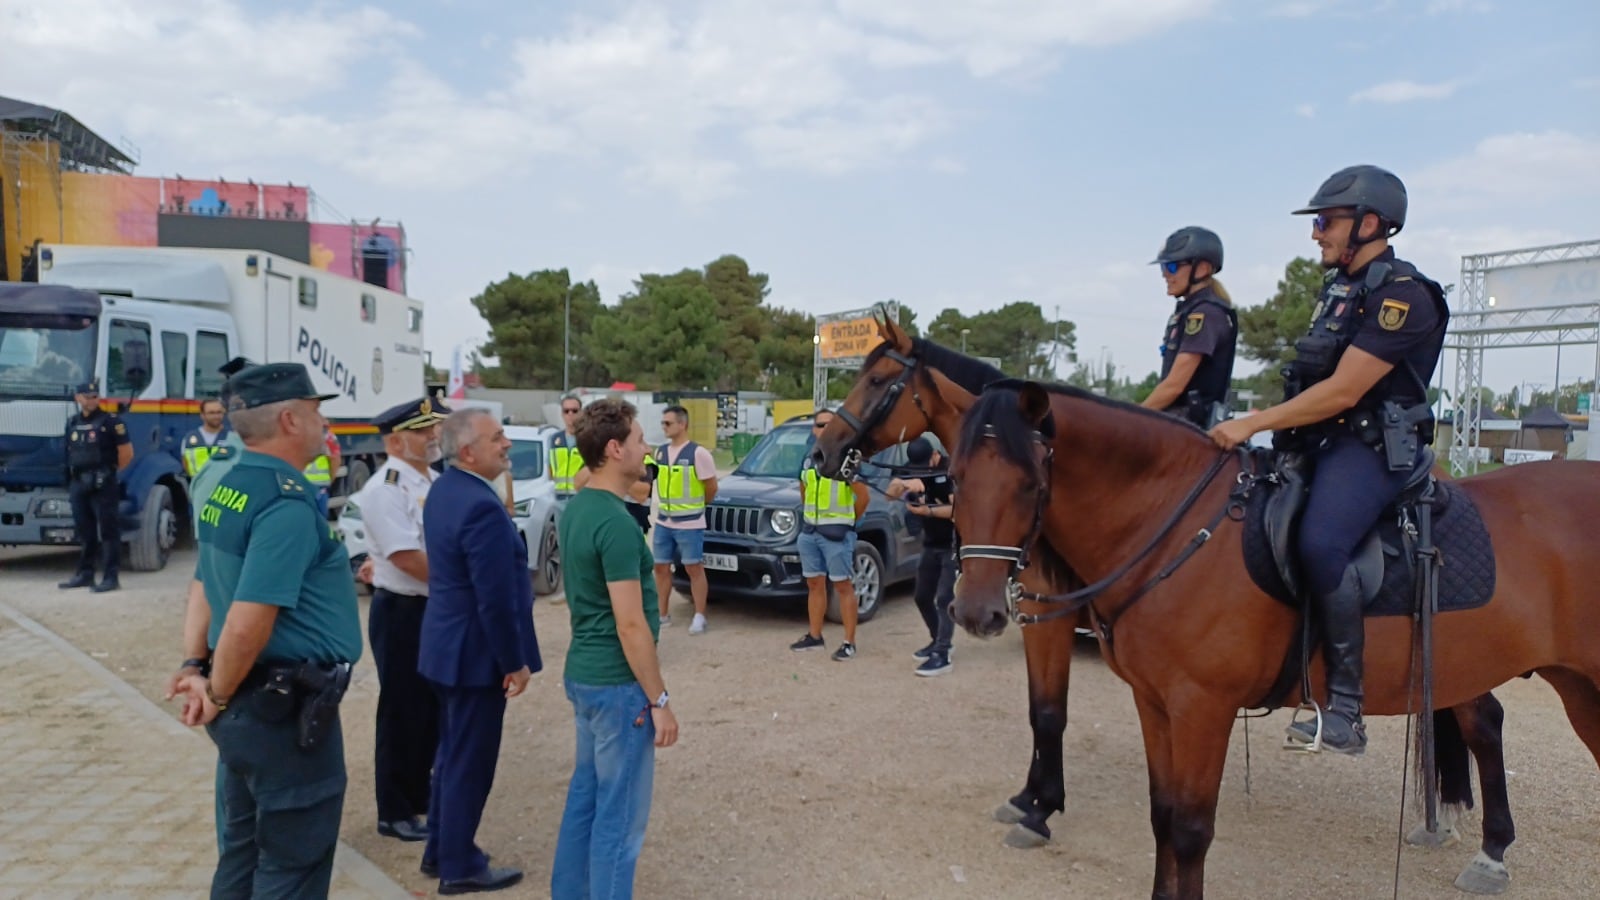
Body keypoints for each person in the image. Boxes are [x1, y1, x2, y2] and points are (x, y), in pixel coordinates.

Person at [1210, 165, 1449, 755]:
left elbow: (1344, 390)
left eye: (1325, 222)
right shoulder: (1341, 289)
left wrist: (1253, 421)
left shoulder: (1404, 297)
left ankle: (1346, 708)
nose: (1316, 234)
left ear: (1370, 224)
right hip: (1323, 441)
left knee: (1321, 542)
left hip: (1373, 449)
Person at [165, 362, 362, 896]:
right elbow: (248, 623)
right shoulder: (284, 501)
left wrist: (193, 667)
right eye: (319, 413)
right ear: (291, 420)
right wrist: (218, 694)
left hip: (249, 708)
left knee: (243, 855)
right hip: (280, 713)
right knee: (292, 865)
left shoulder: (227, 488)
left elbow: (204, 584)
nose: (327, 426)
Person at [551, 398, 679, 900]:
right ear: (614, 448)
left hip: (585, 676)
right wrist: (660, 701)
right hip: (617, 686)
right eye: (640, 440)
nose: (647, 448)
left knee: (585, 800)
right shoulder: (617, 524)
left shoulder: (580, 508)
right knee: (620, 823)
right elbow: (630, 625)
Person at [419, 408, 540, 893]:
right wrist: (514, 662)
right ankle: (460, 866)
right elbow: (495, 599)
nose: (507, 444)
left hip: (444, 648)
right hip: (473, 657)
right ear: (468, 451)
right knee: (469, 763)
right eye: (497, 438)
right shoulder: (480, 506)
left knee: (450, 756)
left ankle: (440, 850)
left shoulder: (446, 489)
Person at [361, 397, 450, 844]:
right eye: (422, 430)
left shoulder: (431, 479)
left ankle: (419, 795)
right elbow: (407, 558)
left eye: (433, 428)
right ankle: (393, 810)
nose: (433, 436)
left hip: (428, 607)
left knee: (428, 708)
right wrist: (461, 583)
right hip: (402, 610)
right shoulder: (385, 488)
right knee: (400, 709)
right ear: (396, 440)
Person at [788, 410, 871, 661]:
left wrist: (846, 522)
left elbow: (863, 497)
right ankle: (815, 636)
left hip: (836, 534)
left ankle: (849, 642)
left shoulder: (846, 459)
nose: (823, 428)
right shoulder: (808, 458)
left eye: (828, 424)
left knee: (843, 586)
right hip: (810, 531)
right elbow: (803, 488)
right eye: (819, 424)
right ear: (814, 429)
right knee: (814, 584)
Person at [1141, 226, 1239, 427]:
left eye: (1172, 267)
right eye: (1163, 268)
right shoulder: (1189, 310)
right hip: (1180, 424)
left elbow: (1174, 386)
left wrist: (1132, 417)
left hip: (1192, 430)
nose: (1165, 275)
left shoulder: (1205, 314)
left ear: (1201, 269)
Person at [887, 437, 957, 676]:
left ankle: (943, 653)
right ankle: (937, 638)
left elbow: (957, 510)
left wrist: (927, 510)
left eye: (924, 465)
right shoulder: (914, 469)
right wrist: (903, 485)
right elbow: (889, 495)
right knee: (922, 596)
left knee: (945, 598)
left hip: (952, 544)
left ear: (935, 455)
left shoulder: (950, 469)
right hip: (929, 542)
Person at [58, 379, 132, 593]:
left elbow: (126, 453)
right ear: (78, 398)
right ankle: (85, 574)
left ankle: (110, 577)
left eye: (95, 396)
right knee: (85, 531)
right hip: (79, 482)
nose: (92, 400)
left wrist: (109, 473)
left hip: (103, 482)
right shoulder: (72, 422)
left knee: (108, 531)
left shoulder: (111, 422)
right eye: (88, 396)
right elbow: (68, 452)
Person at [650, 405, 718, 634]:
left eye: (668, 423)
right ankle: (662, 613)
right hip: (664, 521)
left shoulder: (699, 453)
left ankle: (700, 615)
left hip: (690, 522)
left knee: (693, 568)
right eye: (663, 423)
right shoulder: (660, 452)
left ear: (682, 424)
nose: (664, 427)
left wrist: (698, 507)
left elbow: (711, 487)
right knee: (660, 567)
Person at [181, 396, 231, 477]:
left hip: (224, 486)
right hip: (197, 485)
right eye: (211, 413)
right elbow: (185, 463)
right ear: (202, 415)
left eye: (219, 412)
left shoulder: (231, 437)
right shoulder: (189, 438)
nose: (216, 416)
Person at [550, 395, 585, 499]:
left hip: (580, 497)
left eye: (574, 411)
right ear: (562, 414)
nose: (570, 414)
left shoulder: (587, 438)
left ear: (581, 413)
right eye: (566, 411)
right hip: (558, 497)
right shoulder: (555, 439)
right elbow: (550, 469)